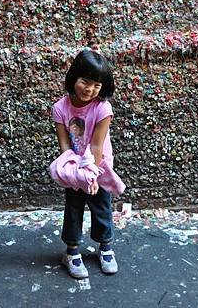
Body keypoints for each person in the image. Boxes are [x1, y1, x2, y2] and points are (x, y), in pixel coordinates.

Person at [52, 49, 118, 279]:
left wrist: (91, 174)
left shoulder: (102, 108)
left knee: (102, 207)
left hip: (98, 167)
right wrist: (73, 171)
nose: (90, 89)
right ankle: (71, 252)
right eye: (85, 81)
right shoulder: (60, 108)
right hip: (74, 169)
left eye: (97, 85)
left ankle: (106, 247)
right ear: (74, 78)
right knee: (73, 208)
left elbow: (97, 146)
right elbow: (64, 145)